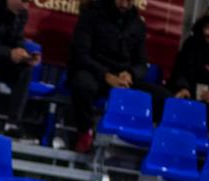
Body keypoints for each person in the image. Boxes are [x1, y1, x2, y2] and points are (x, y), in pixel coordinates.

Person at [67, 0, 171, 153]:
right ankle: (85, 131)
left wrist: (131, 74)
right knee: (82, 84)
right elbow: (80, 55)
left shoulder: (138, 24)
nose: (124, 4)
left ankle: (153, 144)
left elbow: (142, 64)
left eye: (128, 1)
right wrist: (106, 75)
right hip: (96, 73)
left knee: (165, 98)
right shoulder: (91, 16)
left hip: (124, 79)